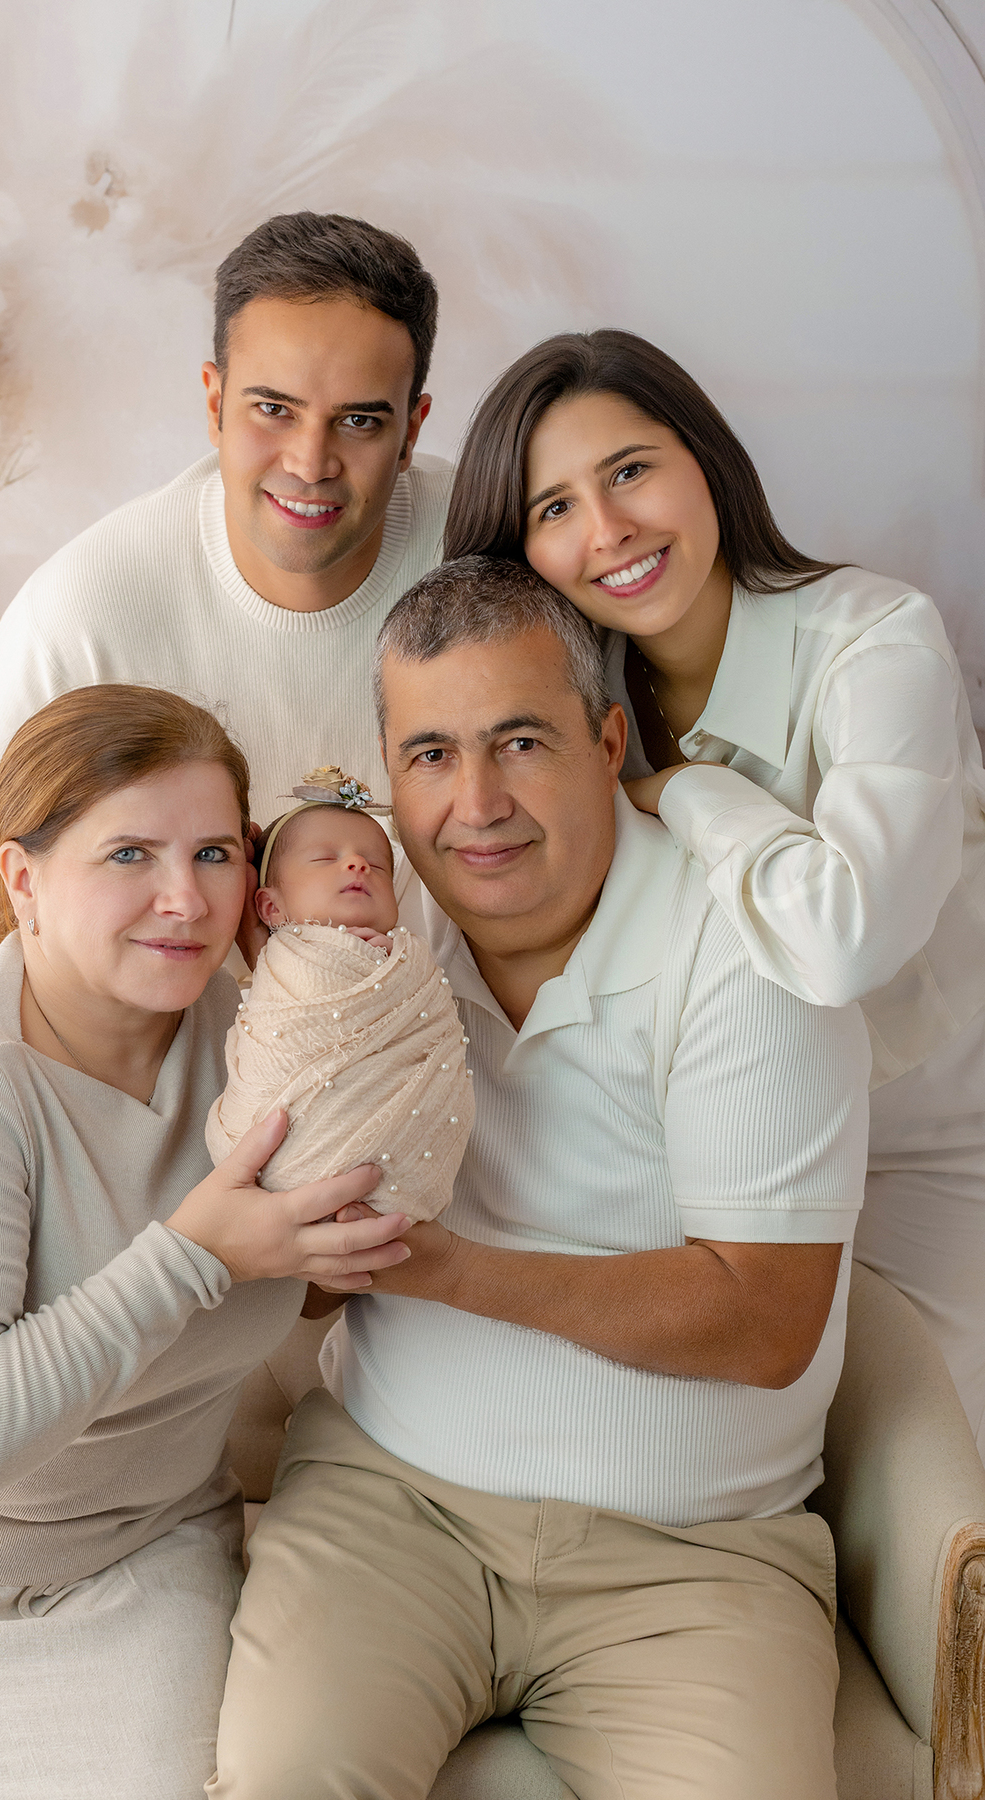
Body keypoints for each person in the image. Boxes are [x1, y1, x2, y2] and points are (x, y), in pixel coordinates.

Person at [207, 561, 871, 1800]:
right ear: (390, 772)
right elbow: (279, 1266)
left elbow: (771, 1317)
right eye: (431, 757)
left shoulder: (741, 951)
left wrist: (450, 1271)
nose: (476, 805)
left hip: (696, 1560)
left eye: (520, 742)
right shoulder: (361, 945)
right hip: (391, 1506)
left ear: (607, 738)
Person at [0, 207, 450, 1279]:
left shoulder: (486, 552)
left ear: (414, 424)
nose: (311, 461)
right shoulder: (90, 607)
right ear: (212, 400)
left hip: (436, 1086)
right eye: (272, 409)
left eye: (360, 421)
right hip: (198, 1116)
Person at [0, 685, 409, 1798]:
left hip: (138, 1563)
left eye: (214, 852)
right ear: (22, 880)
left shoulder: (266, 1041)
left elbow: (320, 1279)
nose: (183, 899)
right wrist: (196, 1256)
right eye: (129, 854)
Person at [442, 329, 985, 1450]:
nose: (608, 532)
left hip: (929, 1144)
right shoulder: (565, 707)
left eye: (630, 470)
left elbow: (847, 938)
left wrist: (684, 791)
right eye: (553, 508)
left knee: (918, 1473)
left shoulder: (878, 639)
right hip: (711, 1149)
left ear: (706, 462)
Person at [206, 767, 473, 1223]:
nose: (358, 864)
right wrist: (275, 962)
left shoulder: (408, 963)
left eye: (377, 863)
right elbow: (280, 1021)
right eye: (325, 858)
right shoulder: (284, 964)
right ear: (270, 907)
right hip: (281, 1152)